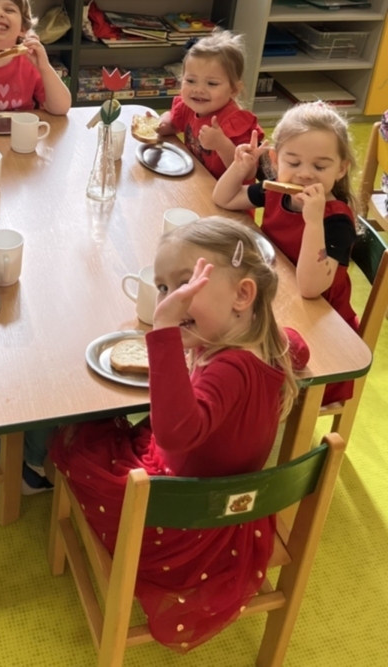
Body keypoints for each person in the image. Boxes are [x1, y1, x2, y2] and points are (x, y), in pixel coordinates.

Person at [50, 217, 309, 652]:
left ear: (242, 295)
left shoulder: (230, 369)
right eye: (164, 288)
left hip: (182, 523)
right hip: (233, 510)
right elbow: (299, 346)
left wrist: (165, 333)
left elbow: (173, 434)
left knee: (77, 437)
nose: (170, 300)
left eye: (187, 283)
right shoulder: (269, 345)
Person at [213, 101, 358, 404]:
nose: (305, 174)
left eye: (320, 167)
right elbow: (224, 199)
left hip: (319, 326)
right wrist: (240, 168)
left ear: (341, 168)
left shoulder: (336, 221)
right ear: (276, 160)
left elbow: (310, 288)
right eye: (293, 162)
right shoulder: (276, 190)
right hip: (276, 295)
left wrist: (314, 221)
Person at [157, 30, 263, 179]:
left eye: (212, 83)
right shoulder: (188, 106)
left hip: (226, 192)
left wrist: (222, 145)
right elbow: (174, 122)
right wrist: (162, 124)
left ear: (233, 89)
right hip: (197, 180)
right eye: (191, 81)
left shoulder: (235, 123)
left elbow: (249, 173)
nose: (198, 90)